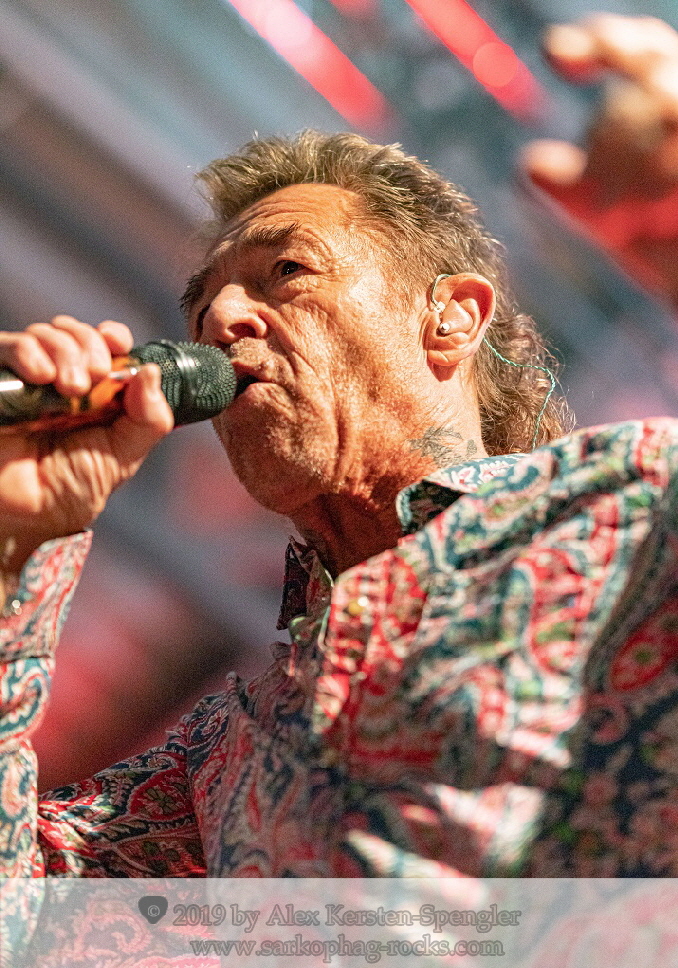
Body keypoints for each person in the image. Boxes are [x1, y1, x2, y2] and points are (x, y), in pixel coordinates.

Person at [2, 12, 678, 888]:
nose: (221, 319)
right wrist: (18, 549)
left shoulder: (630, 504)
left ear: (451, 319)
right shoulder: (220, 761)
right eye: (202, 306)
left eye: (287, 272)